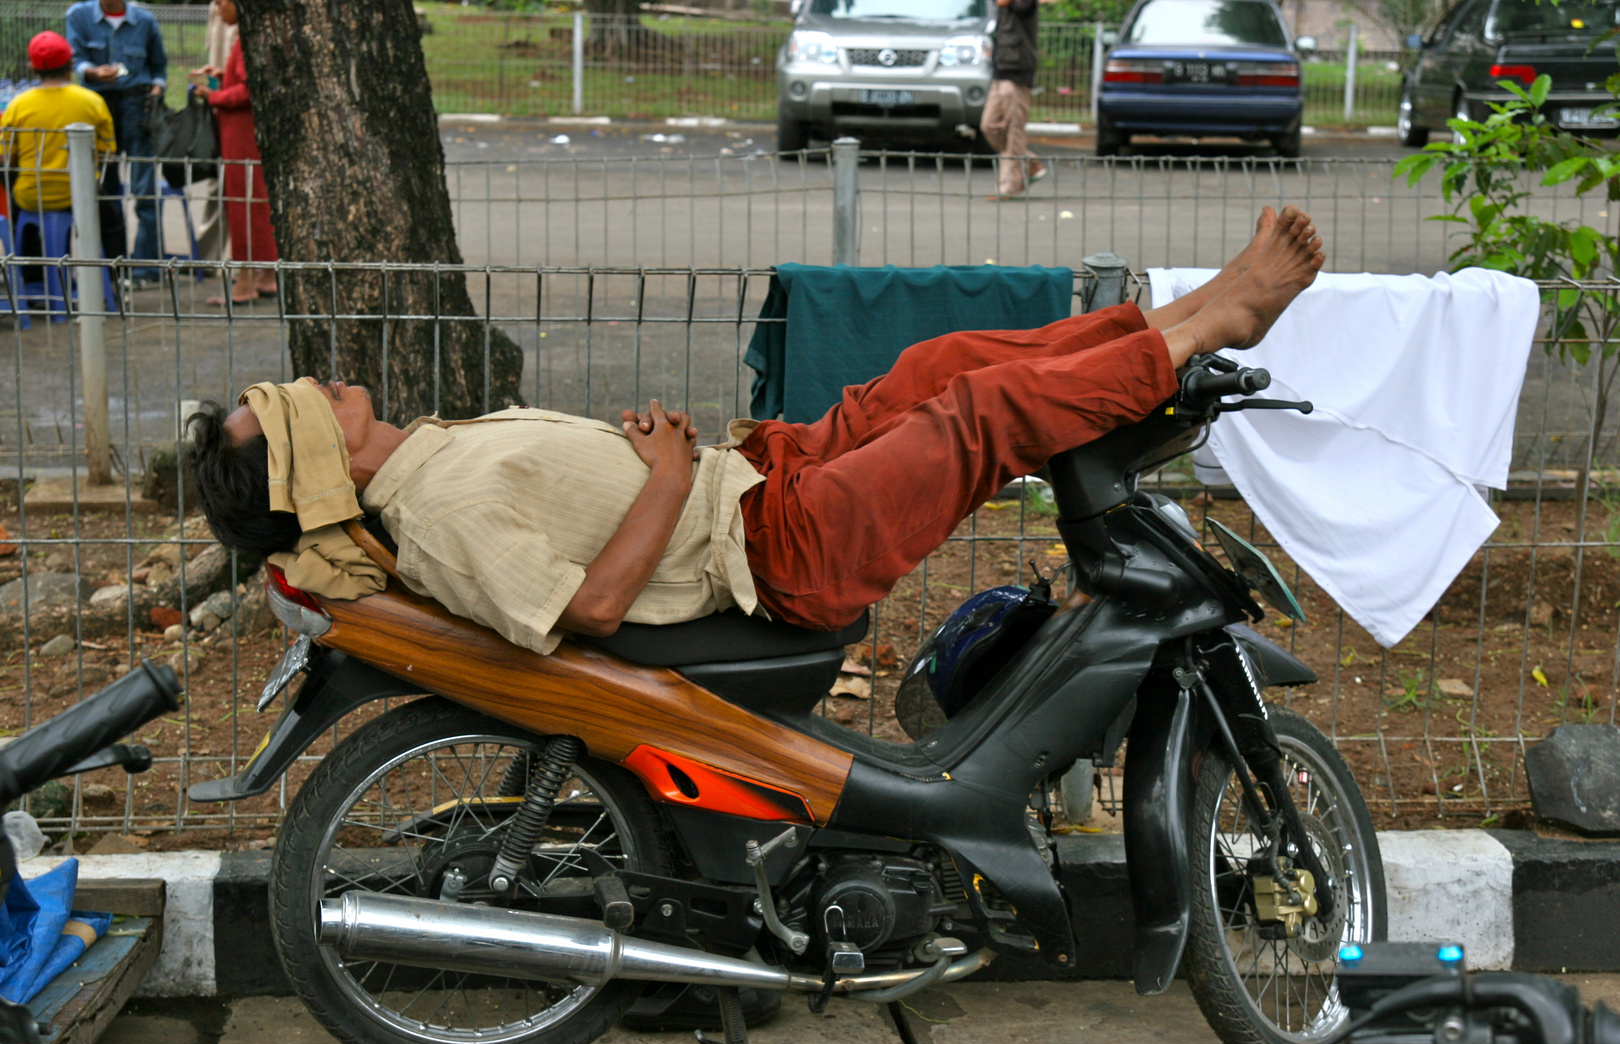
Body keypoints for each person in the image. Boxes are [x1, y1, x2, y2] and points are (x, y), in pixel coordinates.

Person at [188, 207, 1325, 656]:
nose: (312, 380)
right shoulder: (431, 511)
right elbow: (578, 613)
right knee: (981, 414)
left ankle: (1177, 320)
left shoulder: (427, 454)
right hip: (777, 552)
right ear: (316, 460)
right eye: (291, 406)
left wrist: (652, 451)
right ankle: (1215, 316)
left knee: (941, 365)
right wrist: (663, 474)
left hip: (758, 480)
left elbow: (580, 503)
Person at [65, 0, 167, 286]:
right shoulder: (79, 15)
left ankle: (145, 268)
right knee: (105, 190)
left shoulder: (144, 21)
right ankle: (111, 268)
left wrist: (157, 89)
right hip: (98, 106)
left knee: (145, 190)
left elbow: (159, 68)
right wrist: (93, 72)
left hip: (138, 105)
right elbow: (77, 59)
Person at [191, 0, 276, 305]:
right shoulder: (256, 36)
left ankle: (245, 283)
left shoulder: (248, 40)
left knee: (243, 207)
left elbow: (248, 90)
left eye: (223, 2)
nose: (217, 9)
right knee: (258, 204)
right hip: (245, 136)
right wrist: (222, 76)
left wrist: (212, 95)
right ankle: (268, 276)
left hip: (241, 138)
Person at [0, 32, 116, 216]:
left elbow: (5, 159)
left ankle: (25, 241)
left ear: (32, 69)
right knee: (114, 226)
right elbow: (108, 154)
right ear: (71, 65)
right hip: (81, 195)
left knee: (17, 215)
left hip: (30, 197)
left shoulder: (17, 105)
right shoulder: (92, 101)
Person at [979, 0, 1044, 199]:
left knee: (1014, 129)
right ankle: (1029, 161)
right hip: (1001, 69)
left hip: (1018, 71)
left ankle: (1009, 186)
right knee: (989, 126)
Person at [189, 0, 236, 265]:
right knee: (220, 181)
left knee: (235, 183)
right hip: (221, 102)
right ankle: (207, 258)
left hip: (233, 105)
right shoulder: (217, 8)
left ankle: (252, 270)